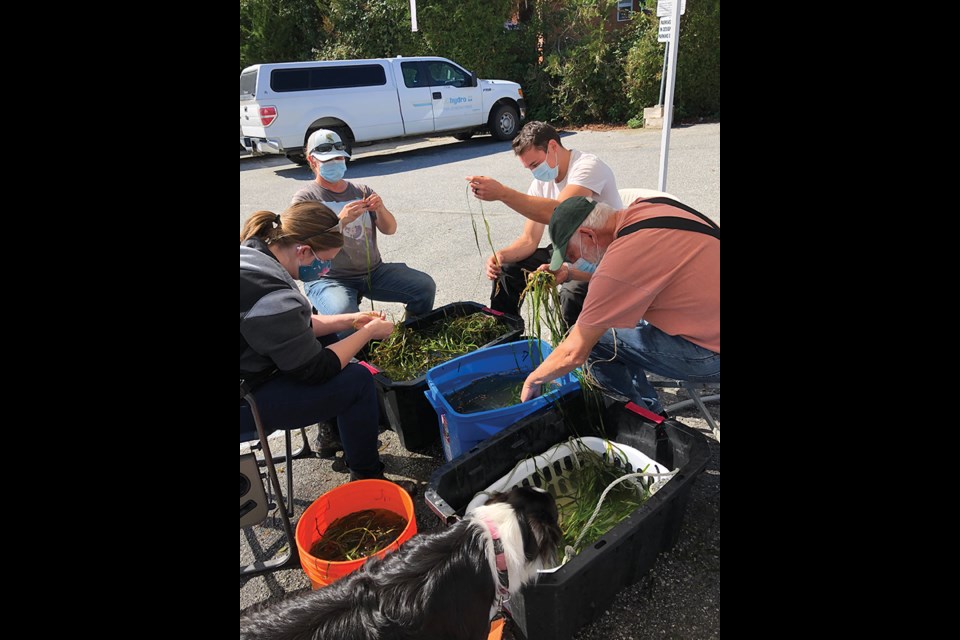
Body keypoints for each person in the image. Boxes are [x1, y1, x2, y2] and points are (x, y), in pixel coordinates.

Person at [240, 201, 417, 494]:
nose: (324, 271)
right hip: (246, 402)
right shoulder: (269, 292)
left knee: (327, 342)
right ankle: (367, 480)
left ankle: (334, 434)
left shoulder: (255, 255)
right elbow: (316, 369)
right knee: (359, 380)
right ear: (303, 250)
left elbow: (295, 325)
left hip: (252, 367)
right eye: (325, 261)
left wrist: (350, 319)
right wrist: (369, 332)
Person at [519, 196, 720, 415]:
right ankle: (646, 405)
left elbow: (574, 352)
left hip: (711, 354)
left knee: (600, 342)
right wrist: (571, 273)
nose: (575, 261)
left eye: (573, 255)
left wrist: (533, 379)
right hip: (708, 311)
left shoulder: (620, 263)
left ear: (588, 235)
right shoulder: (649, 207)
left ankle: (645, 418)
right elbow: (630, 272)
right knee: (621, 327)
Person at [466, 121, 622, 328]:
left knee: (571, 292)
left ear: (552, 147)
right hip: (565, 249)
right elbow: (529, 239)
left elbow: (560, 212)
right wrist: (501, 256)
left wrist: (503, 193)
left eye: (535, 165)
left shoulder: (588, 166)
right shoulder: (540, 183)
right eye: (529, 168)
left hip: (597, 250)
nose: (534, 172)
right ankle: (505, 333)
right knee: (507, 269)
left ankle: (571, 352)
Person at [292, 129, 436, 336]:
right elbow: (300, 243)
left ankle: (410, 336)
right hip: (329, 277)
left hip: (373, 271)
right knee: (344, 316)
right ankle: (355, 358)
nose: (335, 162)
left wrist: (380, 208)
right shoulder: (306, 198)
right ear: (312, 161)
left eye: (339, 157)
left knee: (423, 287)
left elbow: (390, 229)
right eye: (328, 160)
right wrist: (340, 222)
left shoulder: (361, 191)